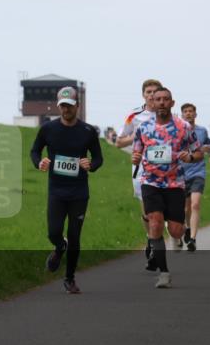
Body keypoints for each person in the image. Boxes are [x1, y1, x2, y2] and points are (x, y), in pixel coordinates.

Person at [31, 86, 104, 293]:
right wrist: (40, 162)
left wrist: (91, 165)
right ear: (58, 106)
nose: (66, 110)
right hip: (56, 190)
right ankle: (59, 246)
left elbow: (98, 158)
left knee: (74, 236)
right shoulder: (48, 129)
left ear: (77, 106)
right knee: (53, 232)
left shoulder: (88, 131)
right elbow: (35, 151)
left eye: (70, 106)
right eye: (63, 106)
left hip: (79, 192)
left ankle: (69, 278)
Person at [131, 87, 203, 289]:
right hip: (150, 182)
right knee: (155, 223)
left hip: (174, 184)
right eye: (158, 99)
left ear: (172, 103)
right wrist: (135, 158)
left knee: (175, 231)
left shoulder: (183, 127)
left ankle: (179, 234)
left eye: (166, 99)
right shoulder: (143, 127)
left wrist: (190, 157)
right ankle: (163, 273)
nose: (161, 102)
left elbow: (198, 153)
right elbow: (137, 152)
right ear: (152, 103)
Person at [115, 78, 163, 267]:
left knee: (159, 212)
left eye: (155, 92)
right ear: (143, 95)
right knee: (148, 212)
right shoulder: (134, 116)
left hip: (164, 169)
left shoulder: (167, 115)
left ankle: (155, 241)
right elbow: (119, 142)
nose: (151, 95)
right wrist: (136, 136)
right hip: (142, 169)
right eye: (148, 92)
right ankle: (151, 239)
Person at [178, 103, 210, 251]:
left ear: (195, 114)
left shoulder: (202, 131)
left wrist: (207, 148)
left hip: (198, 172)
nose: (188, 113)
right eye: (185, 111)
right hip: (181, 173)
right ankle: (186, 228)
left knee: (195, 204)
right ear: (182, 115)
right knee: (185, 209)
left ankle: (192, 239)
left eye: (191, 111)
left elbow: (209, 146)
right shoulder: (177, 130)